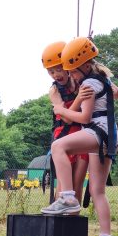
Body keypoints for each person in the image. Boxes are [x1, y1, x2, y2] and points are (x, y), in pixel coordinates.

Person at [41, 37, 118, 236]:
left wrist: (59, 110)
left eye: (72, 71)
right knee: (97, 191)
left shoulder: (88, 83)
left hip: (97, 132)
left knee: (58, 147)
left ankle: (67, 197)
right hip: (111, 137)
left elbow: (84, 118)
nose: (71, 76)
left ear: (84, 66)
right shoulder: (100, 78)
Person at [41, 41, 92, 204]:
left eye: (59, 69)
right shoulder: (54, 91)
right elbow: (67, 118)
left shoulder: (79, 82)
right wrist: (79, 97)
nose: (56, 75)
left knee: (77, 186)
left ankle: (72, 223)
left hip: (83, 134)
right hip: (64, 135)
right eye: (51, 72)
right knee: (63, 188)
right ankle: (58, 221)